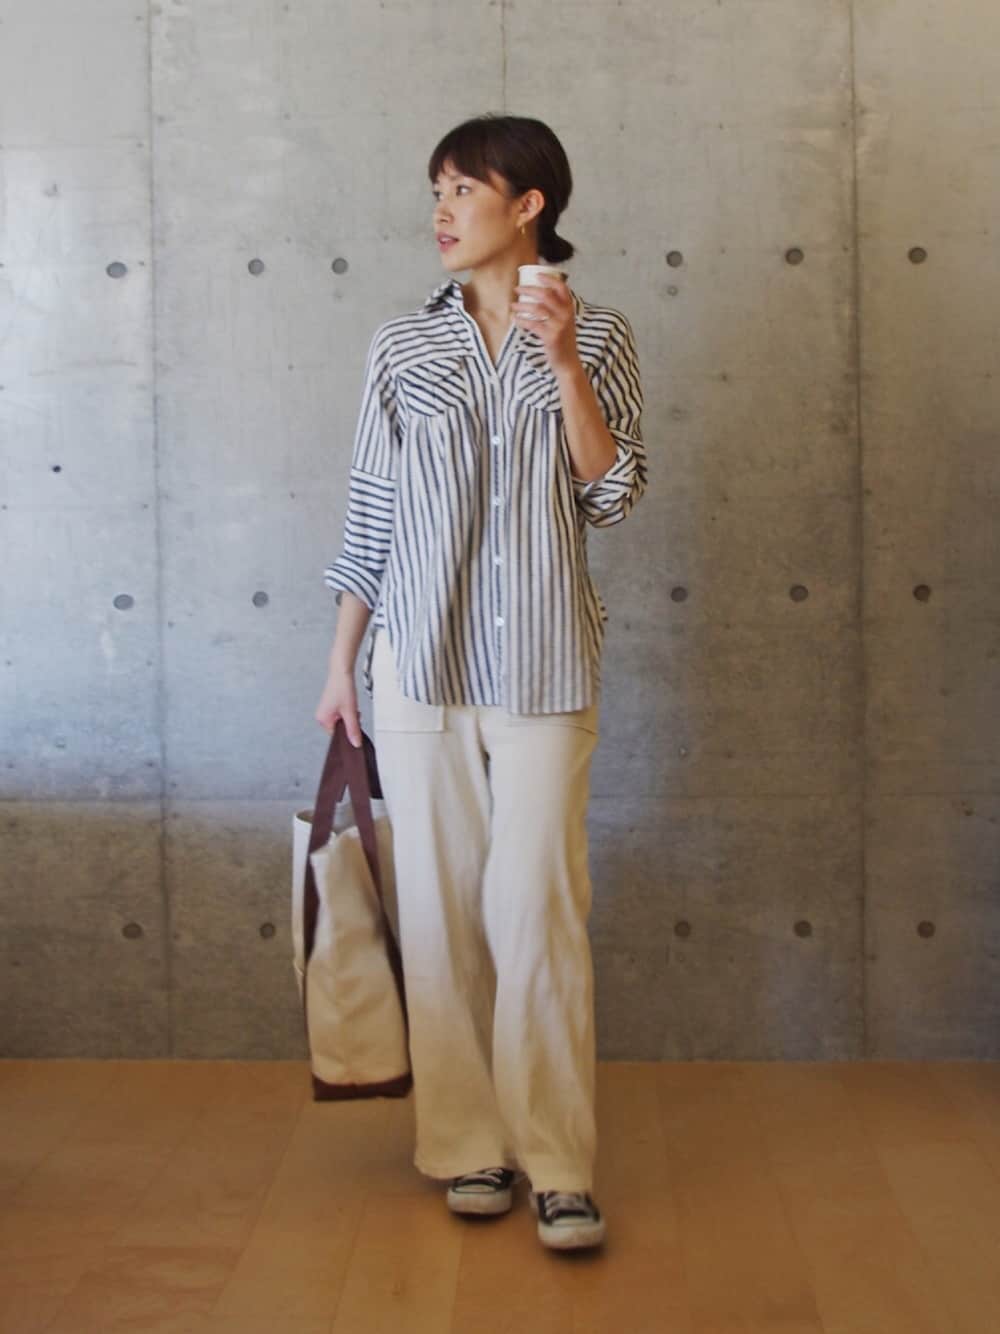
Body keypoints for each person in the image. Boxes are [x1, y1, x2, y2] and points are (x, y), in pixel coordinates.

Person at [315, 113, 647, 1251]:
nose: (442, 212)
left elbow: (613, 495)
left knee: (538, 906)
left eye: (463, 189)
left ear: (528, 204)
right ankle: (467, 1145)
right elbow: (371, 510)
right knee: (440, 907)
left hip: (546, 661)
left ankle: (558, 1163)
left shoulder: (599, 334)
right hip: (418, 662)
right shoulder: (401, 348)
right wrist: (341, 664)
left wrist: (564, 366)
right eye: (437, 192)